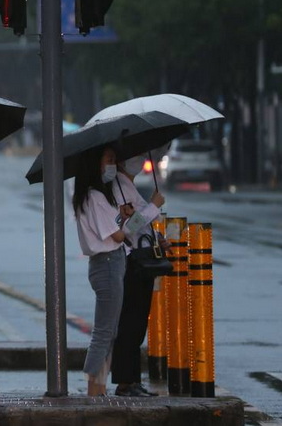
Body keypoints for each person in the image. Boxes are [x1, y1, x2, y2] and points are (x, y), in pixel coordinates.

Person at [72, 146, 133, 396]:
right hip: (107, 263)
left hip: (109, 263)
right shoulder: (95, 196)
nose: (113, 165)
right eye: (109, 159)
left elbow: (113, 229)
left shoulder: (94, 196)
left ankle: (98, 386)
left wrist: (123, 217)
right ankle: (93, 387)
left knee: (109, 330)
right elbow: (117, 236)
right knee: (105, 331)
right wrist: (136, 220)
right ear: (94, 163)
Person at [110, 154, 167, 397]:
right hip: (131, 262)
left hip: (142, 259)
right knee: (130, 323)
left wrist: (157, 239)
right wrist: (154, 205)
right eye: (135, 156)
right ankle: (125, 381)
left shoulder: (128, 186)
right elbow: (126, 228)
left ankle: (133, 379)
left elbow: (140, 226)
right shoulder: (118, 187)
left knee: (138, 323)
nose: (140, 160)